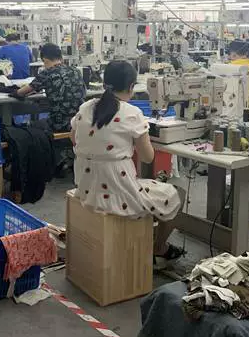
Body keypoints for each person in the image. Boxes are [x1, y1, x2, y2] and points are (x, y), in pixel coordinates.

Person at [71, 60, 184, 268]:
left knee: (149, 185)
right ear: (131, 86)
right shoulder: (132, 113)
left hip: (87, 188)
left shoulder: (85, 108)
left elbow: (74, 138)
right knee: (176, 193)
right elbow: (148, 158)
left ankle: (147, 239)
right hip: (120, 194)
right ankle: (159, 247)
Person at [15, 43, 85, 132]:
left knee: (27, 126)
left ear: (44, 59)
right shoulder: (76, 71)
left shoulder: (46, 73)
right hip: (78, 123)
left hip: (58, 125)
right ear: (60, 57)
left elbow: (20, 93)